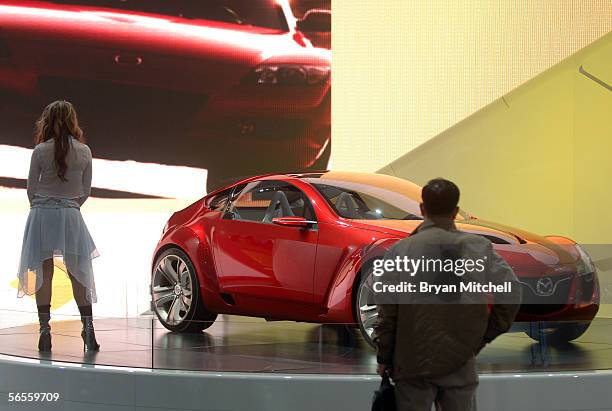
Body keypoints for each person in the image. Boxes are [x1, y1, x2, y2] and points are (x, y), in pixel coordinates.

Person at [373, 178, 521, 411]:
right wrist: (483, 336)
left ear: (422, 209)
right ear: (456, 212)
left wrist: (384, 357)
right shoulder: (479, 247)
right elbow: (511, 293)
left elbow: (386, 313)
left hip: (412, 364)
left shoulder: (400, 251)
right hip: (460, 362)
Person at [17, 100, 100, 353]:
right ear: (72, 120)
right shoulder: (85, 151)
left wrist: (44, 206)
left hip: (42, 215)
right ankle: (89, 329)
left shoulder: (40, 150)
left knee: (44, 273)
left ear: (47, 120)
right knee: (79, 272)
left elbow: (31, 189)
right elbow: (84, 192)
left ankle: (45, 331)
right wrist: (69, 207)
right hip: (70, 215)